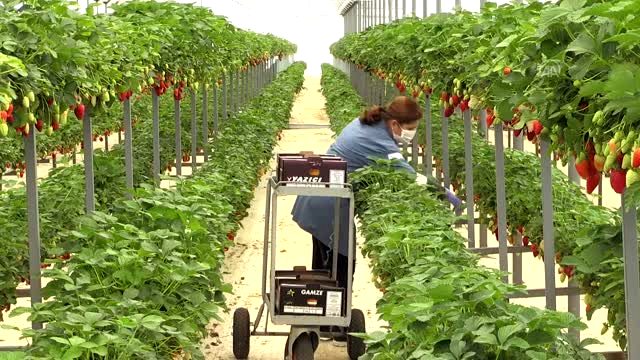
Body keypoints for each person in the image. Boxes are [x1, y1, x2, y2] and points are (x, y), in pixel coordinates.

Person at [290, 96, 461, 344]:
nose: (412, 134)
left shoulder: (368, 124)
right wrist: (443, 193)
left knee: (325, 263)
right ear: (395, 124)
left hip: (322, 196)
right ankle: (336, 327)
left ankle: (325, 322)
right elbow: (408, 176)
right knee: (341, 263)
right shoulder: (380, 142)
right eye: (410, 129)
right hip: (329, 204)